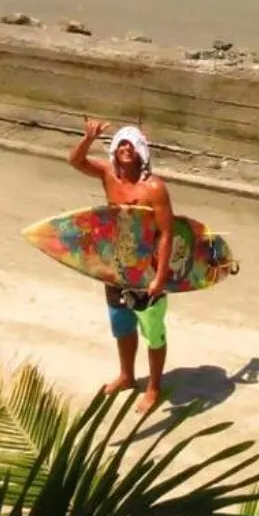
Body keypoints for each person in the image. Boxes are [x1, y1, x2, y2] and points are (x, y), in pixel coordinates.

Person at [69, 118, 174, 413]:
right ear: (114, 150)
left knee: (153, 330)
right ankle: (127, 376)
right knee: (121, 324)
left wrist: (161, 275)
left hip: (147, 269)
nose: (126, 148)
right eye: (121, 144)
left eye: (132, 144)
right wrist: (89, 138)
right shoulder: (107, 176)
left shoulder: (154, 188)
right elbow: (75, 161)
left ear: (142, 151)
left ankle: (154, 386)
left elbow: (166, 233)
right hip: (116, 267)